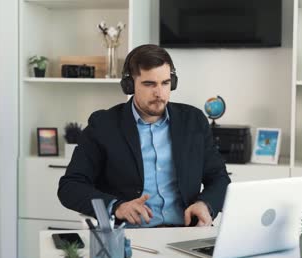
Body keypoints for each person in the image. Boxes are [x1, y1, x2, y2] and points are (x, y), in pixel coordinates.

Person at [58, 44, 230, 228]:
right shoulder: (103, 125)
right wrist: (117, 207)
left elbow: (219, 178)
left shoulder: (193, 121)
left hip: (186, 232)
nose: (159, 93)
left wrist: (206, 204)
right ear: (130, 84)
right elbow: (70, 186)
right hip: (131, 237)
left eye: (165, 83)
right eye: (149, 84)